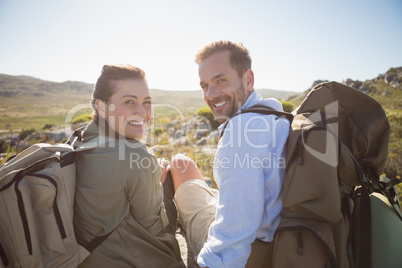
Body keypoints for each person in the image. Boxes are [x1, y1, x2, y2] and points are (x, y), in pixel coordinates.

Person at [170, 40, 290, 267]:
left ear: (248, 79)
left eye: (221, 80)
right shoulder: (276, 116)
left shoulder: (242, 130)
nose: (211, 95)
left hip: (255, 251)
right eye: (204, 86)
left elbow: (233, 239)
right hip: (280, 232)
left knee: (179, 165)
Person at [73, 64, 184, 267]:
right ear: (101, 107)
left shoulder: (80, 139)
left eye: (147, 102)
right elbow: (154, 229)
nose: (142, 112)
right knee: (179, 169)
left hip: (85, 258)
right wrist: (159, 186)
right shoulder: (135, 154)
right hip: (124, 260)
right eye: (129, 102)